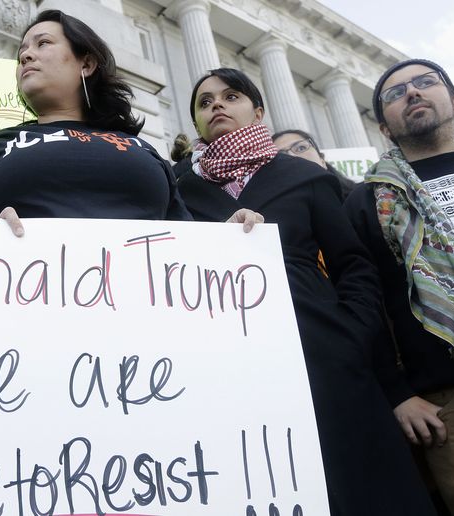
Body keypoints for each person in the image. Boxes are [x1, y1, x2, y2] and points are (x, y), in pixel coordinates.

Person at [177, 67, 437, 515]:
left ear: (258, 111)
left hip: (325, 352)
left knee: (362, 486)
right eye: (205, 102)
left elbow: (352, 264)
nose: (217, 104)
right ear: (197, 123)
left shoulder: (301, 174)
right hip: (231, 366)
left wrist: (350, 332)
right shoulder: (178, 186)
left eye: (231, 96)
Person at [0, 9, 192, 225]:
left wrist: (229, 236)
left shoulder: (144, 149)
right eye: (21, 52)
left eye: (43, 43)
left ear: (86, 64)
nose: (25, 55)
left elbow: (192, 240)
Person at [344, 58, 454, 515]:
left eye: (425, 83)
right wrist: (397, 394)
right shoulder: (367, 201)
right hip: (450, 398)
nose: (411, 93)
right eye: (395, 94)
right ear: (385, 129)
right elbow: (364, 302)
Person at [272, 128, 357, 199]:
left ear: (322, 160)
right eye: (281, 156)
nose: (292, 156)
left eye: (301, 148)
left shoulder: (364, 197)